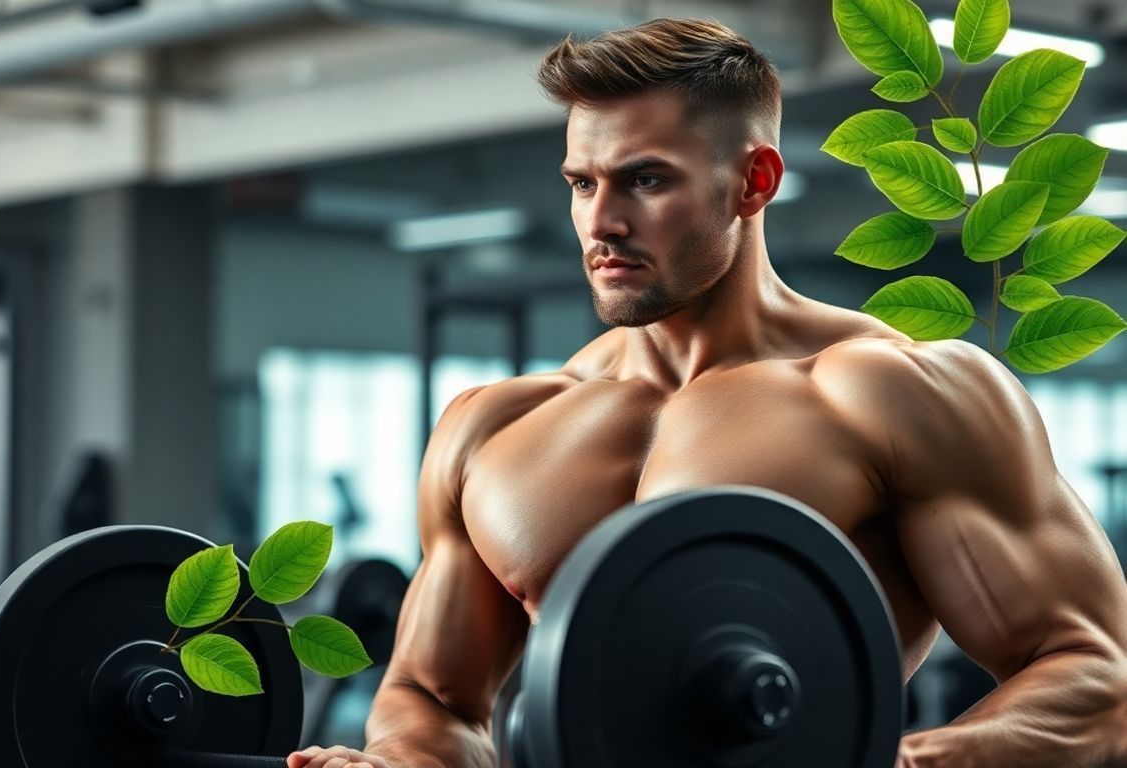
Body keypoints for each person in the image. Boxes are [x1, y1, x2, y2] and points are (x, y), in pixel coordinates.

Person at [288, 18, 1127, 768]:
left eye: (645, 180)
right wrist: (396, 761)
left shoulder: (892, 394)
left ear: (754, 182)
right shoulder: (496, 427)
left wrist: (905, 761)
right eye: (583, 183)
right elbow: (435, 702)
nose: (601, 222)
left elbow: (1100, 677)